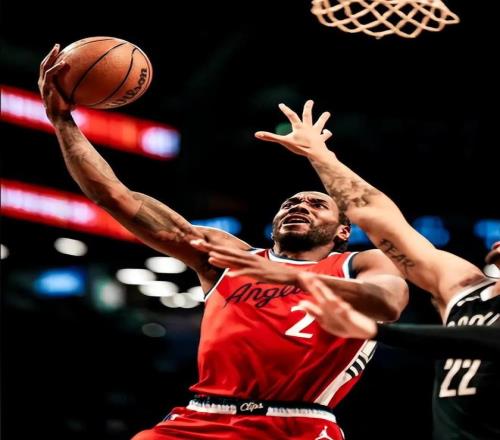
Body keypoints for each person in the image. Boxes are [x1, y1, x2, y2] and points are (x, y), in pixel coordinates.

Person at [39, 46, 408, 440]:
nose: (300, 206)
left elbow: (389, 302)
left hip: (296, 423)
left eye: (316, 204)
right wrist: (62, 120)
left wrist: (298, 279)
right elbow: (115, 197)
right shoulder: (228, 257)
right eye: (290, 203)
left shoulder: (359, 263)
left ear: (343, 232)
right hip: (199, 420)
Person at [210, 99, 496, 440]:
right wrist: (321, 156)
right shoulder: (465, 287)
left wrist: (378, 332)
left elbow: (489, 339)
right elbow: (376, 215)